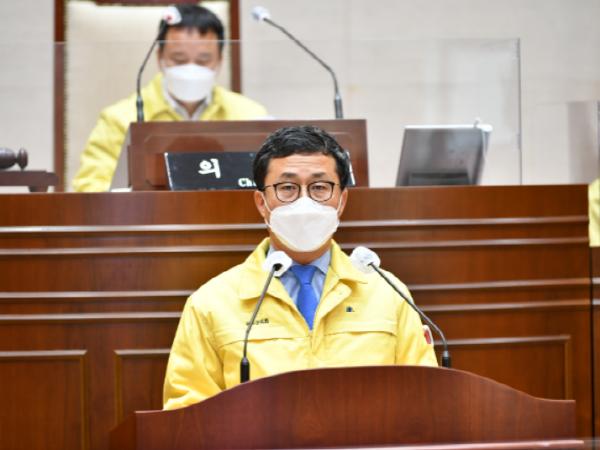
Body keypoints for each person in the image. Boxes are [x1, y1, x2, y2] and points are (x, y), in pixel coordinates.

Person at [162, 125, 438, 410]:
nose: (304, 201)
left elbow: (425, 398)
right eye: (287, 188)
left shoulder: (388, 293)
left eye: (319, 187)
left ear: (342, 200)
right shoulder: (211, 303)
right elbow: (187, 415)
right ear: (261, 203)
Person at [72, 4, 268, 192]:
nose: (191, 68)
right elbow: (89, 189)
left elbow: (270, 181)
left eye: (203, 60)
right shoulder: (119, 119)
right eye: (179, 59)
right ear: (159, 58)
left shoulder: (250, 115)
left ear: (220, 60)